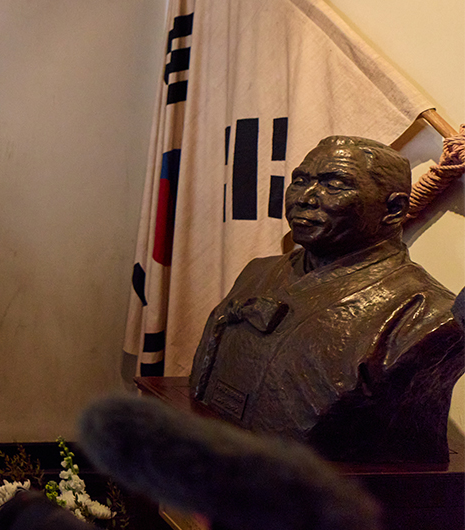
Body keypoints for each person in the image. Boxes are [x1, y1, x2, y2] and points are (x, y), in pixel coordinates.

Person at [189, 135, 465, 463]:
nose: (305, 198)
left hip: (320, 484)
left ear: (393, 209)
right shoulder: (258, 272)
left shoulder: (425, 314)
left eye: (334, 185)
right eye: (300, 181)